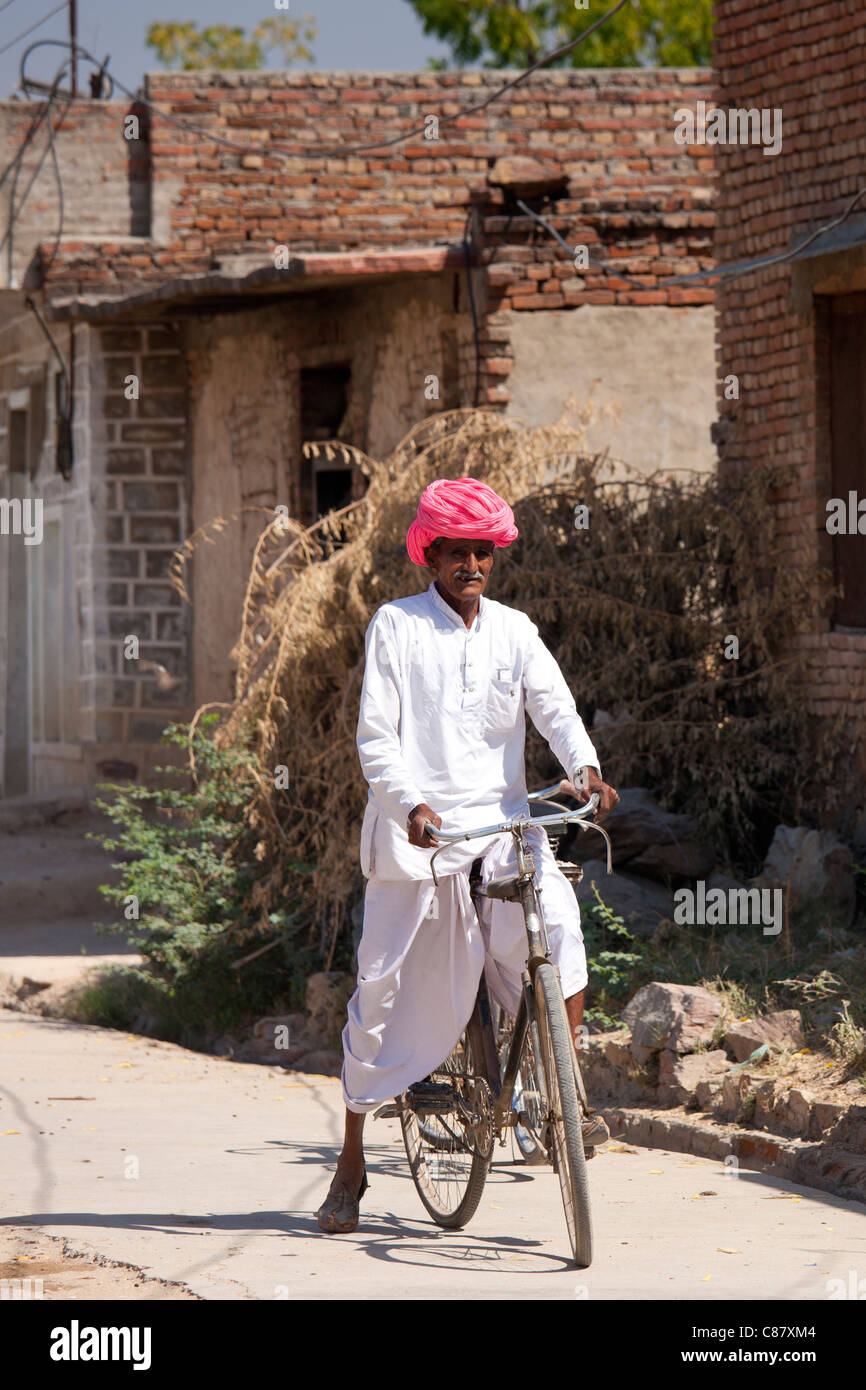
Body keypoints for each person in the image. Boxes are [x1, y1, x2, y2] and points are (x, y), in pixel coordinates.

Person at [316, 477, 620, 1234]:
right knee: (380, 994)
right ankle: (351, 1163)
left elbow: (555, 708)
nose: (471, 564)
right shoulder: (397, 626)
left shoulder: (516, 631)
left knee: (558, 929)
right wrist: (410, 806)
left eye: (482, 552)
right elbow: (376, 737)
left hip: (504, 831)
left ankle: (562, 1093)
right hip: (418, 840)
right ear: (431, 555)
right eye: (456, 552)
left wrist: (584, 765)